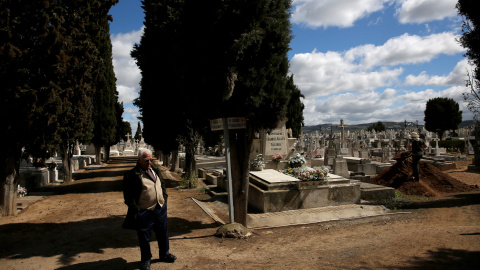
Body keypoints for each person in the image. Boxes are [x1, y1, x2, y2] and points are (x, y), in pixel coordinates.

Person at [122, 148, 176, 270]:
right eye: (147, 160)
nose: (150, 162)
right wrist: (135, 210)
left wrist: (164, 199)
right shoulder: (131, 175)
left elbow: (162, 185)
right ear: (139, 160)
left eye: (151, 159)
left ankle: (165, 254)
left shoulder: (155, 169)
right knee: (144, 237)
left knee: (163, 233)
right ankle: (146, 259)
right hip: (144, 210)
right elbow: (128, 196)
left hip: (160, 208)